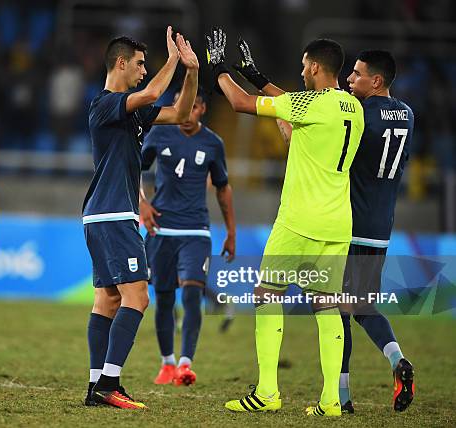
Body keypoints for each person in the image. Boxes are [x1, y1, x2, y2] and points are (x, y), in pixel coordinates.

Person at [205, 29, 364, 416]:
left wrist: (220, 69)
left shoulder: (314, 105)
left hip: (299, 221)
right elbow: (293, 108)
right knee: (327, 307)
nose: (302, 73)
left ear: (313, 67)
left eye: (303, 68)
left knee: (266, 296)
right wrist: (257, 75)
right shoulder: (351, 107)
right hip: (338, 222)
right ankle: (330, 401)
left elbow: (242, 104)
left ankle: (267, 392)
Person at [82, 27, 198, 409]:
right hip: (114, 214)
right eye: (140, 64)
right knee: (138, 296)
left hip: (104, 214)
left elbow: (179, 112)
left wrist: (192, 72)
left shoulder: (131, 111)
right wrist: (173, 62)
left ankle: (96, 384)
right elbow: (150, 94)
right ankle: (110, 381)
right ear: (120, 63)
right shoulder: (105, 103)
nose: (145, 71)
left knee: (109, 300)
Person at [139, 86, 235, 387]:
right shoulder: (158, 133)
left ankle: (185, 364)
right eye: (180, 105)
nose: (185, 113)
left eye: (191, 107)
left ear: (202, 109)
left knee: (193, 294)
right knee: (164, 298)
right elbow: (133, 168)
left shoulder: (213, 143)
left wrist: (231, 231)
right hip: (161, 229)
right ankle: (167, 363)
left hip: (195, 230)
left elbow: (222, 187)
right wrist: (141, 202)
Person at [340, 50, 415, 413]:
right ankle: (398, 360)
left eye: (356, 74)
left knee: (337, 310)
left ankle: (341, 397)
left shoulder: (359, 113)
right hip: (382, 227)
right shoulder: (408, 114)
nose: (349, 80)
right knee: (363, 306)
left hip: (351, 225)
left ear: (377, 81)